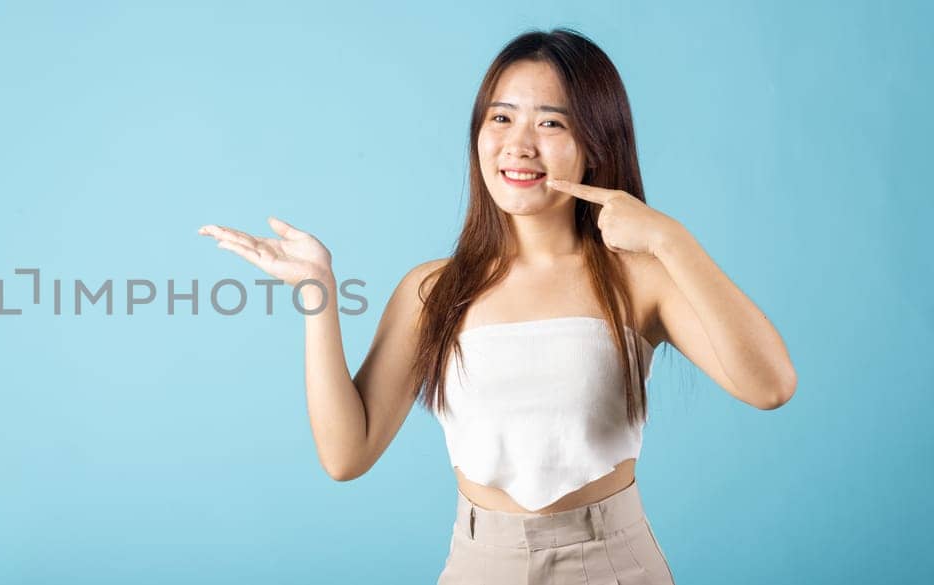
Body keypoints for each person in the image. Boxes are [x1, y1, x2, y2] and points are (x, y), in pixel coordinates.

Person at [197, 28, 797, 584]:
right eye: (501, 117)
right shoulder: (433, 290)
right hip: (479, 563)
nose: (518, 145)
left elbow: (770, 385)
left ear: (596, 142)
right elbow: (346, 454)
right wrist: (316, 297)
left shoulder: (641, 280)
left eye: (552, 124)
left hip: (613, 562)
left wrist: (671, 239)